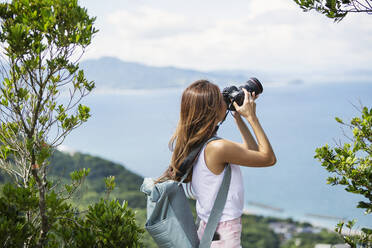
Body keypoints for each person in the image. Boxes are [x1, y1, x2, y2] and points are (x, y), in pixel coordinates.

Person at [157, 79, 276, 247]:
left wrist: (237, 116)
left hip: (209, 231)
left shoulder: (198, 144)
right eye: (220, 99)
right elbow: (268, 158)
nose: (224, 101)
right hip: (223, 235)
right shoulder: (217, 148)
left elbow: (252, 151)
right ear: (211, 110)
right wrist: (252, 117)